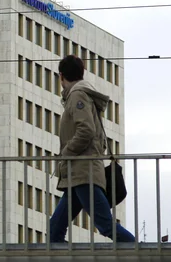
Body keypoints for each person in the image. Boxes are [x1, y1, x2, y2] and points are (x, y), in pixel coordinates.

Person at [50, 55, 135, 243]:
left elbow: (86, 130)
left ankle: (141, 253)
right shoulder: (82, 95)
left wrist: (66, 153)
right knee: (55, 228)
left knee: (106, 225)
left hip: (83, 172)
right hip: (78, 173)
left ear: (61, 76)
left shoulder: (77, 95)